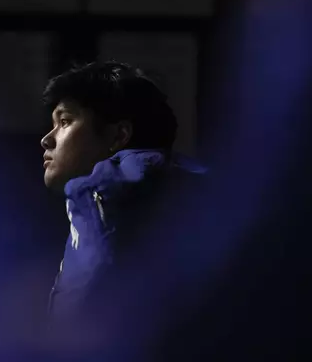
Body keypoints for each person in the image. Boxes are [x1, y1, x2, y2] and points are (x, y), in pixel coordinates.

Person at [39, 61, 206, 341]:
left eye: (65, 121)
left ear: (119, 135)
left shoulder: (112, 192)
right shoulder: (180, 190)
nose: (47, 139)